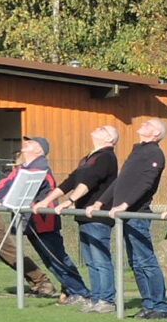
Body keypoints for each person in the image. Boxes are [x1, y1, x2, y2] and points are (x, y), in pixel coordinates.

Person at [0, 138, 78, 300]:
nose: (25, 145)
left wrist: (1, 202)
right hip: (31, 221)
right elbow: (6, 184)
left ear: (40, 150)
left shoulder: (39, 167)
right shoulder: (25, 167)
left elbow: (21, 189)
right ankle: (71, 290)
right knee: (50, 260)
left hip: (44, 220)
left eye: (31, 143)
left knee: (57, 258)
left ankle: (78, 291)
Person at [48, 127, 121, 311]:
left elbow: (90, 181)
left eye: (102, 129)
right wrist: (46, 200)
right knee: (90, 259)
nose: (96, 129)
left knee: (100, 259)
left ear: (109, 138)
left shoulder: (106, 157)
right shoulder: (89, 157)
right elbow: (71, 181)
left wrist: (69, 201)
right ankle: (96, 299)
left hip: (98, 215)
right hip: (84, 216)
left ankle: (106, 300)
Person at [108, 116, 167, 320]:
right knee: (136, 261)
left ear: (156, 133)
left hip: (138, 214)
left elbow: (145, 183)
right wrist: (100, 203)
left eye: (148, 125)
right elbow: (121, 182)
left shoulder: (155, 153)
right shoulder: (138, 151)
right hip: (127, 215)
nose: (143, 125)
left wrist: (125, 205)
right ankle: (148, 304)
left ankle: (160, 306)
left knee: (146, 260)